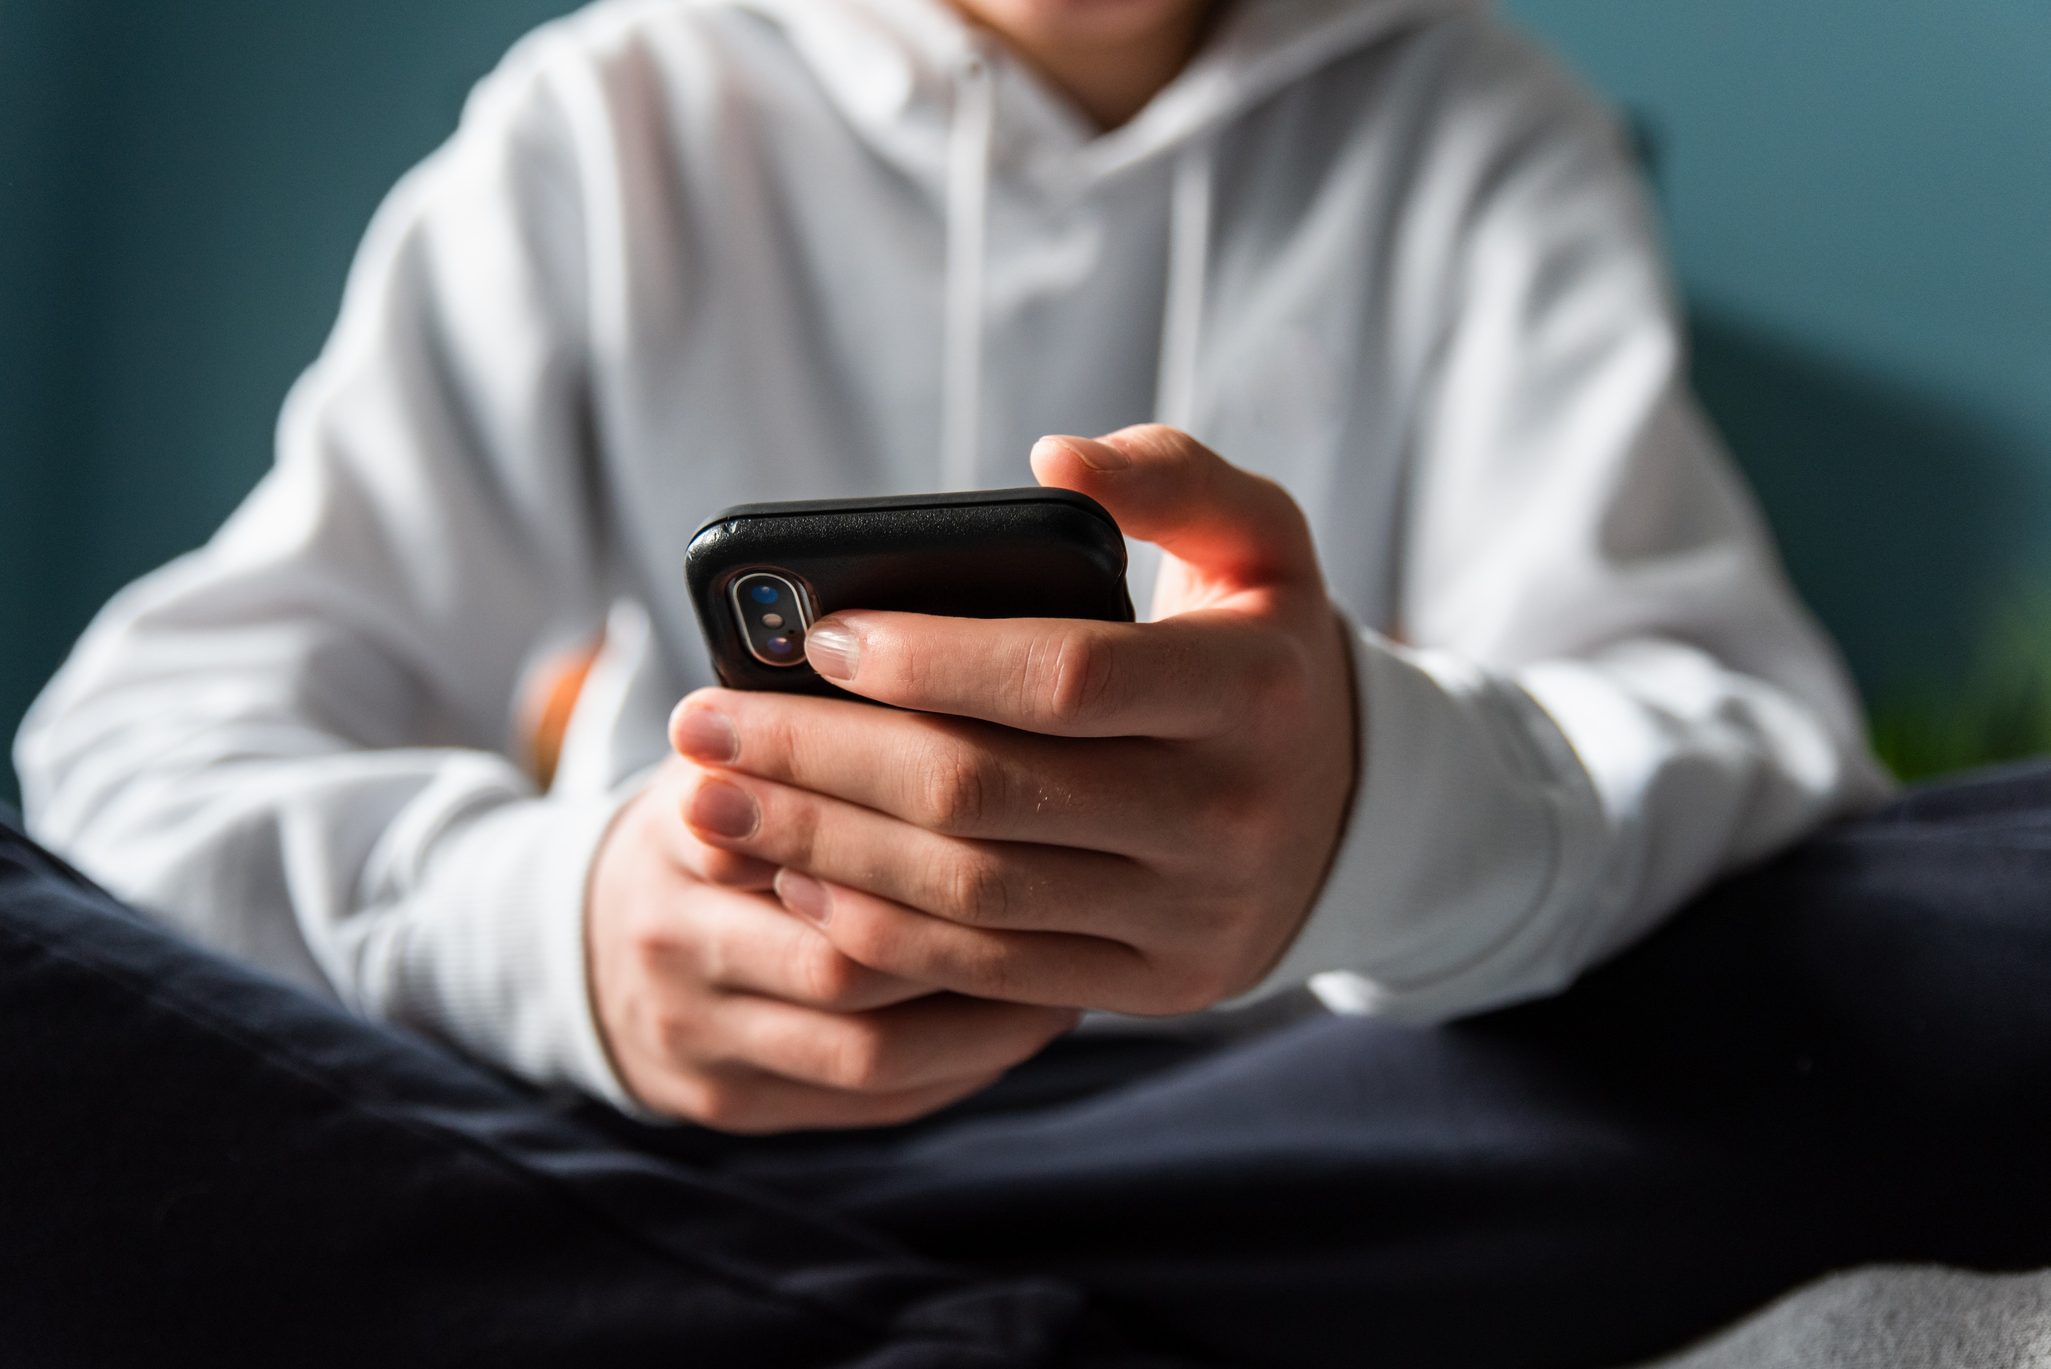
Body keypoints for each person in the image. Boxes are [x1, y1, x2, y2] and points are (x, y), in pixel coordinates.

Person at [23, 0, 2037, 1363]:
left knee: (1994, 897)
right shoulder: (613, 122)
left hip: (1308, 1121)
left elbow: (1744, 731)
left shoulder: (1476, 125)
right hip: (693, 1126)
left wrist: (1361, 813)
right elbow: (139, 741)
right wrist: (565, 936)